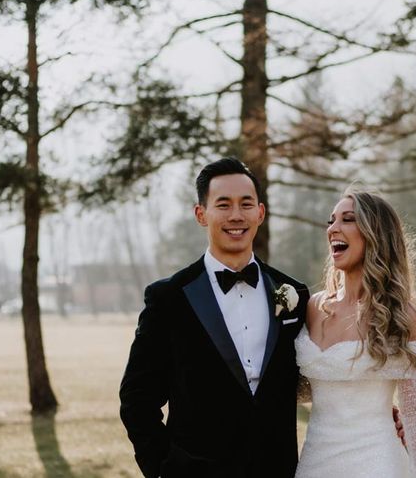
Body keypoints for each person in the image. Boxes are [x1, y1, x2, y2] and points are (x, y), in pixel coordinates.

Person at [119, 157, 310, 478]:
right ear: (201, 214)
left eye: (246, 204)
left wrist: (372, 409)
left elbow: (316, 372)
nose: (236, 215)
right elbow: (137, 399)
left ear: (260, 213)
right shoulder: (169, 298)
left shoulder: (294, 293)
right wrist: (166, 468)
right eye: (223, 205)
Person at [294, 189, 416, 478]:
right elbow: (306, 386)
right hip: (315, 462)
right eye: (331, 221)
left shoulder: (403, 316)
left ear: (376, 235)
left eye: (348, 220)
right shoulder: (313, 307)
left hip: (377, 462)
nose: (333, 228)